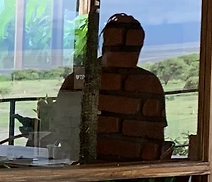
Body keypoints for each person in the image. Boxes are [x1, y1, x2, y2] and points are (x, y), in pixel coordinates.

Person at [57, 14, 167, 162]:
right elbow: (59, 130)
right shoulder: (79, 80)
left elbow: (154, 143)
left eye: (133, 46)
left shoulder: (148, 84)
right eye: (125, 46)